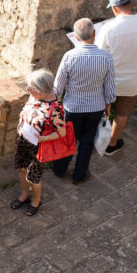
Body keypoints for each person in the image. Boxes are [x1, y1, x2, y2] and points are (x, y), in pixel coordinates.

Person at [51, 17, 116, 184]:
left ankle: (59, 169)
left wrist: (55, 101)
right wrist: (108, 104)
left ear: (76, 37)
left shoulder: (70, 56)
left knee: (68, 141)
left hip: (73, 107)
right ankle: (79, 175)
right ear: (94, 33)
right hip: (95, 107)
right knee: (87, 142)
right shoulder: (106, 57)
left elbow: (58, 86)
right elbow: (109, 86)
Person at [95, 0, 137, 156]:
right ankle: (112, 144)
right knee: (122, 114)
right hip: (133, 82)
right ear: (130, 3)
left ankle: (95, 140)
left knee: (102, 110)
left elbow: (100, 56)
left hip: (110, 81)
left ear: (114, 8)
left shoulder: (109, 28)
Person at [12, 69, 67, 217]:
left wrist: (42, 139)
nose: (28, 90)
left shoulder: (55, 108)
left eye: (31, 88)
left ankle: (36, 199)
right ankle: (24, 194)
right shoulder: (34, 96)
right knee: (21, 168)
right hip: (23, 139)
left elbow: (61, 132)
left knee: (34, 176)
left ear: (42, 91)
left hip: (38, 146)